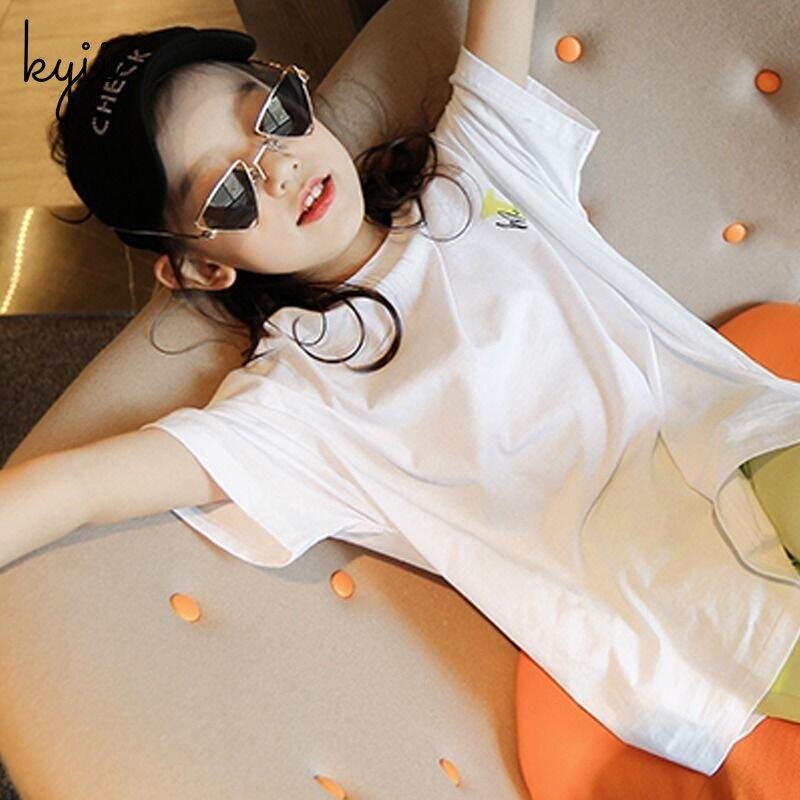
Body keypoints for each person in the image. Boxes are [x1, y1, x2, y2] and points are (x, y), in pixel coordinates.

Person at [0, 11, 798, 779]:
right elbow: (71, 489)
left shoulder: (478, 162)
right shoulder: (294, 409)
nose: (279, 167)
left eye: (273, 115)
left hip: (750, 440)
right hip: (686, 599)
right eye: (229, 192)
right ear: (204, 267)